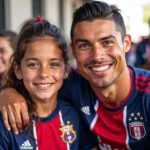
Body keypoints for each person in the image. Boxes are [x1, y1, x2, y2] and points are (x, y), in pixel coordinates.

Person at [0, 1, 150, 150]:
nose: (97, 56)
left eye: (107, 42)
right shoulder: (71, 83)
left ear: (126, 43)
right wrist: (8, 94)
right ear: (73, 50)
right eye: (84, 45)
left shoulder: (146, 95)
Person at [0, 17, 98, 150]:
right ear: (18, 70)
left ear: (66, 70)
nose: (44, 73)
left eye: (53, 64)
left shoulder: (75, 114)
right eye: (33, 64)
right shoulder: (7, 120)